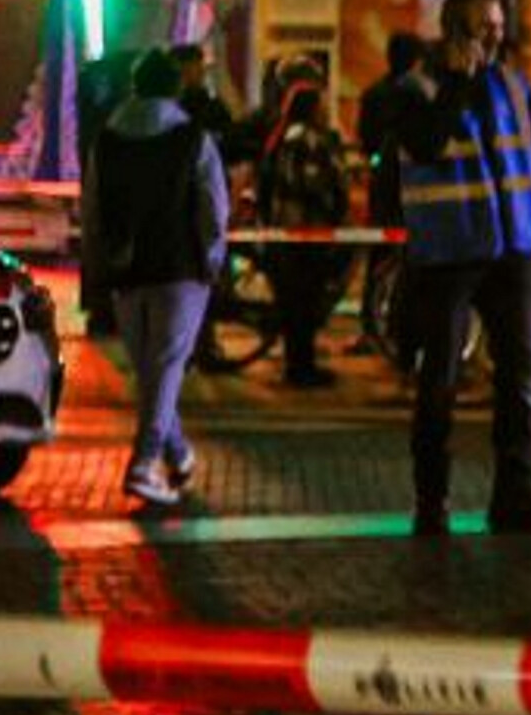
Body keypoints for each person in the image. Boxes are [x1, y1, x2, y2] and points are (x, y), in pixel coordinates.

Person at [389, 0, 531, 536]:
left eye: (496, 23)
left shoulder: (512, 84)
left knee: (518, 375)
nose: (493, 33)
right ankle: (431, 502)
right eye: (481, 24)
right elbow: (425, 145)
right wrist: (459, 84)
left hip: (512, 249)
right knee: (439, 378)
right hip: (449, 251)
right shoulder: (416, 88)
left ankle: (514, 496)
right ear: (453, 30)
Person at [88, 47, 230, 508]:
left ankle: (179, 454)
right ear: (175, 88)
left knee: (151, 371)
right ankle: (144, 463)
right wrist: (212, 257)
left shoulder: (107, 139)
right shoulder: (192, 138)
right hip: (179, 267)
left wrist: (100, 263)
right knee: (166, 366)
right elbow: (213, 204)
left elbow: (92, 208)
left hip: (127, 270)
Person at [252, 75, 354, 389]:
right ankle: (302, 368)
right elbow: (310, 183)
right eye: (322, 104)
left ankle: (300, 364)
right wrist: (334, 203)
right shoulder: (305, 139)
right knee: (304, 302)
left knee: (295, 303)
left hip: (286, 231)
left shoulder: (283, 137)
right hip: (305, 231)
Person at [356, 31, 428, 367]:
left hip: (383, 185)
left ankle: (371, 326)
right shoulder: (419, 95)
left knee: (380, 254)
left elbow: (366, 140)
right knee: (412, 261)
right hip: (414, 187)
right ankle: (401, 332)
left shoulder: (373, 95)